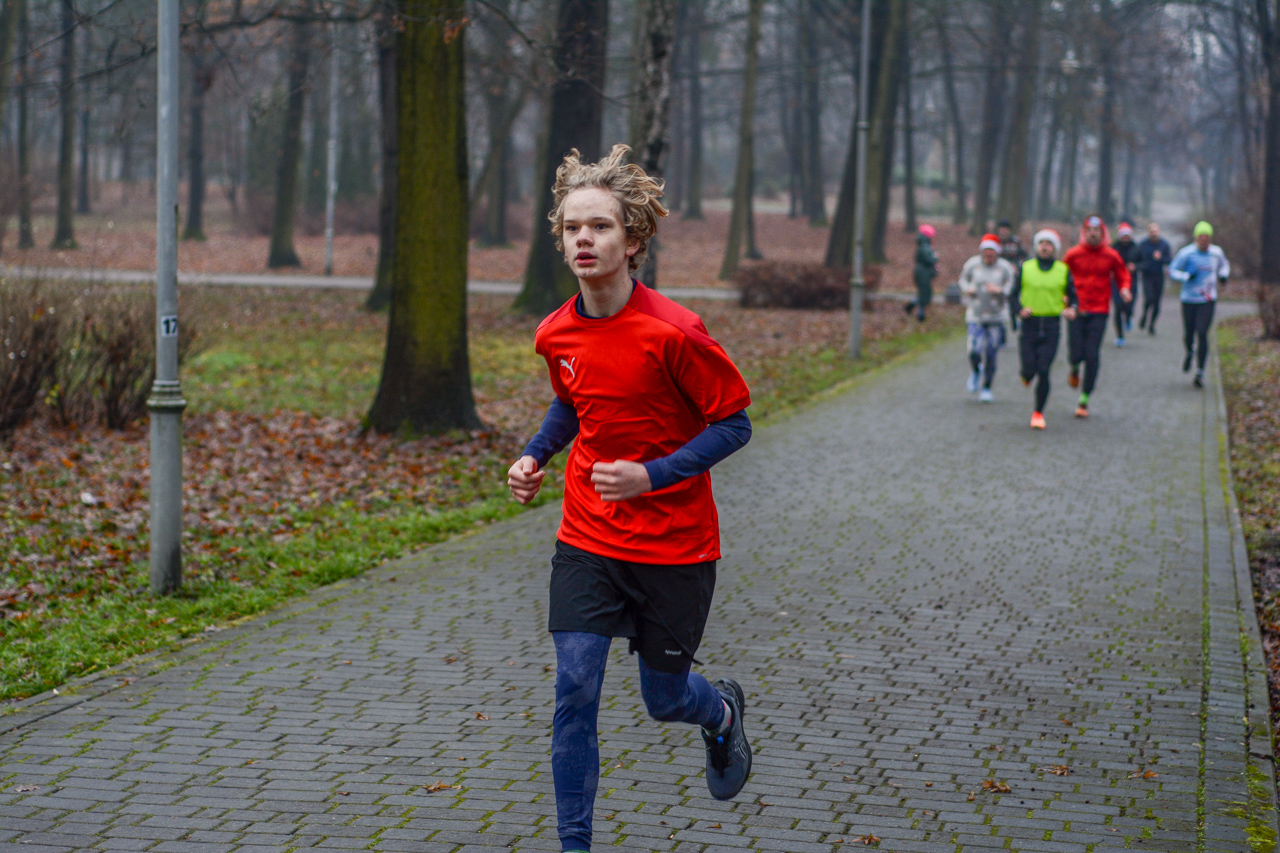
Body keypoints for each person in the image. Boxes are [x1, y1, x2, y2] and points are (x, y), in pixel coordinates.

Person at [507, 145, 754, 853]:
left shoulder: (675, 332)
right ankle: (575, 844)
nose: (584, 239)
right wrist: (535, 452)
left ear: (634, 239)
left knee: (664, 698)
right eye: (572, 227)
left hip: (675, 547)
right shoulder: (555, 331)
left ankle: (722, 713)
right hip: (588, 537)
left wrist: (654, 474)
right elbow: (571, 403)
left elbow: (734, 422)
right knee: (575, 688)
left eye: (601, 227)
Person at [1062, 214, 1132, 418]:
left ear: (1103, 234)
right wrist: (1063, 299)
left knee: (1092, 355)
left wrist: (1125, 289)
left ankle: (1084, 400)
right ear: (1084, 233)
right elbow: (1061, 276)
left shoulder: (1110, 255)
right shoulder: (1073, 254)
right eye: (1089, 231)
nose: (1093, 235)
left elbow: (1123, 274)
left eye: (1097, 232)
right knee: (1076, 353)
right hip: (1077, 310)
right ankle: (1074, 368)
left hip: (1099, 311)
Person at [1011, 229, 1077, 429]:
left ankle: (1038, 412)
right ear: (1036, 246)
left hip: (1051, 325)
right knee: (1029, 369)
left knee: (1044, 370)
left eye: (1049, 244)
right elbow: (1013, 295)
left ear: (1055, 248)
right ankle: (1026, 375)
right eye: (1042, 243)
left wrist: (1072, 309)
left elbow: (1073, 296)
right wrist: (1019, 310)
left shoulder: (1063, 270)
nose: (1045, 247)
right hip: (1029, 324)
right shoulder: (1026, 267)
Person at [1170, 220, 1230, 388]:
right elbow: (1172, 270)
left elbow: (1225, 265)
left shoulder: (1216, 253)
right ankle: (1189, 351)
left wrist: (1223, 275)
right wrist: (1185, 277)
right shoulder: (1186, 253)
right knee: (1189, 333)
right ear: (1196, 237)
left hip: (1208, 299)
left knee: (1202, 332)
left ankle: (1200, 372)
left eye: (1207, 238)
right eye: (1201, 238)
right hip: (1188, 300)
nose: (1204, 241)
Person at [958, 233, 1016, 403]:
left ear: (997, 252)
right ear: (981, 251)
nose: (989, 254)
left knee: (991, 352)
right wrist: (967, 288)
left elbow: (1011, 286)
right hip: (975, 315)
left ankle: (986, 388)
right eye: (986, 251)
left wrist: (1000, 291)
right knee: (974, 350)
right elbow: (962, 280)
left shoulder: (1005, 267)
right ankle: (976, 371)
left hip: (996, 317)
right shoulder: (972, 264)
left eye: (992, 251)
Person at [1136, 221, 1172, 334]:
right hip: (1147, 276)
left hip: (1159, 276)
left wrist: (1160, 258)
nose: (1154, 233)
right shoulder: (1143, 245)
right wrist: (1140, 267)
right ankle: (1144, 315)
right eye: (1151, 231)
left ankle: (1152, 324)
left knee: (1156, 303)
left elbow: (1169, 260)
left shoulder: (1164, 245)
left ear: (1159, 232)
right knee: (1149, 298)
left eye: (1155, 231)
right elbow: (1137, 260)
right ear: (1148, 233)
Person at [1110, 222, 1142, 346]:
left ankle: (1129, 316)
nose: (1125, 238)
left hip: (1131, 281)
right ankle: (1120, 336)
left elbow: (1143, 262)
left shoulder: (1136, 247)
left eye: (1127, 235)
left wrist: (1135, 266)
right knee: (1118, 307)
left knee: (1128, 305)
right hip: (1116, 281)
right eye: (1123, 235)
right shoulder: (1114, 247)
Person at [997, 219, 1028, 331]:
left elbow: (1025, 257)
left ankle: (1014, 319)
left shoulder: (1016, 242)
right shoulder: (995, 242)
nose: (1003, 231)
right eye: (1001, 229)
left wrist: (1017, 267)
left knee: (1011, 297)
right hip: (998, 276)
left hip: (1013, 276)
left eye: (1006, 229)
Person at [905, 223, 938, 322]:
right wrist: (935, 257)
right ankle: (920, 314)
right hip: (923, 273)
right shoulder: (924, 246)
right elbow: (928, 259)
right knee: (924, 293)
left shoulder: (923, 245)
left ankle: (911, 306)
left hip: (922, 272)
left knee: (923, 293)